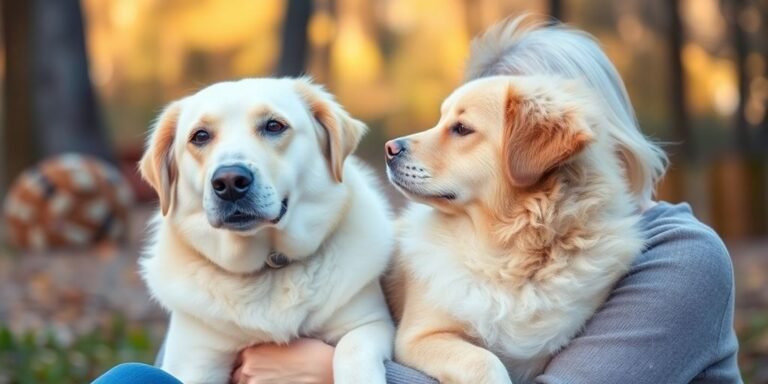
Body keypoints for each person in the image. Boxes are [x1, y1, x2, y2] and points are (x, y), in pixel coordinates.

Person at [93, 16, 741, 384]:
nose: (418, 145)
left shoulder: (680, 259)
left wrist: (322, 370)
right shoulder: (439, 236)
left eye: (464, 129)